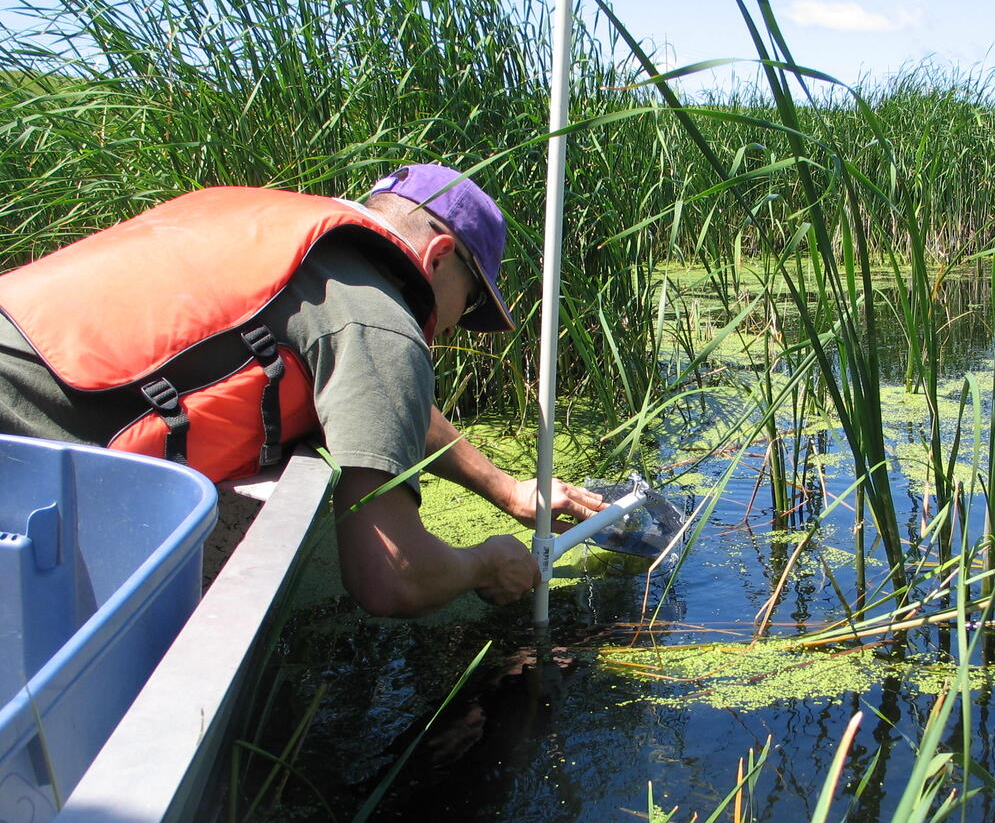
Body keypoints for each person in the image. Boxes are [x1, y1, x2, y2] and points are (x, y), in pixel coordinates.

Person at [0, 163, 604, 616]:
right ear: (440, 255)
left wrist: (507, 489)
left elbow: (386, 409)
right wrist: (481, 563)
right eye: (466, 304)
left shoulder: (276, 231)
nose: (446, 331)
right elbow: (391, 575)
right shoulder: (379, 320)